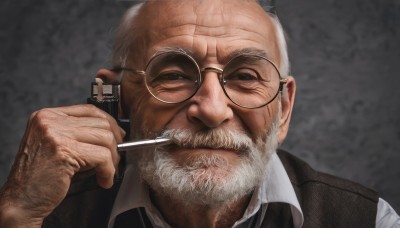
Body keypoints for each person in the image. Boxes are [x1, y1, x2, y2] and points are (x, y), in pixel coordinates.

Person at [0, 0, 399, 227]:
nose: (211, 110)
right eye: (173, 75)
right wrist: (17, 216)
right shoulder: (46, 217)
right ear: (117, 99)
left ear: (284, 107)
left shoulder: (368, 221)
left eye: (244, 77)